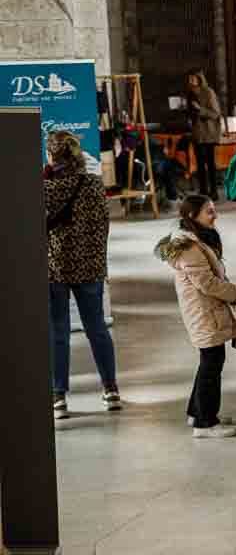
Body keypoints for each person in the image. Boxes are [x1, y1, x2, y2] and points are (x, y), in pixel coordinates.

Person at [44, 131, 121, 419]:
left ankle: (58, 396)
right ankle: (110, 389)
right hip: (90, 267)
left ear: (52, 156)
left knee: (58, 332)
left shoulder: (45, 188)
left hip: (55, 268)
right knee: (97, 329)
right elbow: (104, 226)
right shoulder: (93, 184)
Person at [155, 195, 236, 439]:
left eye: (214, 210)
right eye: (209, 212)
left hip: (206, 310)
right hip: (204, 312)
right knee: (211, 363)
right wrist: (233, 294)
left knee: (210, 360)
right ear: (192, 217)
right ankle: (205, 423)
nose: (214, 215)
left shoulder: (195, 241)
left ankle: (197, 412)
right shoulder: (190, 247)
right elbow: (206, 283)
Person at [185, 69, 223, 199]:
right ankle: (203, 191)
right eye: (189, 79)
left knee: (210, 164)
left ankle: (214, 191)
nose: (191, 81)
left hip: (208, 134)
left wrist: (199, 109)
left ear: (199, 79)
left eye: (193, 79)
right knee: (200, 164)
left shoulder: (208, 93)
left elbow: (215, 113)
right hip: (197, 134)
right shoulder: (190, 94)